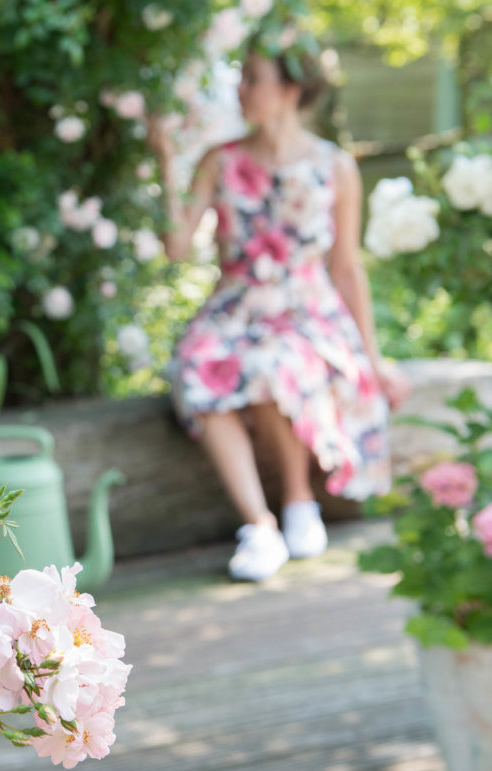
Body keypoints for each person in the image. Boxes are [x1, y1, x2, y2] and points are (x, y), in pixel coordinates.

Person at [146, 37, 409, 582]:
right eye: (241, 77)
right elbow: (176, 248)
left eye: (253, 78)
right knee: (201, 368)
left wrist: (373, 355)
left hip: (306, 309)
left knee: (272, 363)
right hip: (237, 307)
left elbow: (346, 267)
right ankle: (260, 525)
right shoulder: (221, 160)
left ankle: (297, 501)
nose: (241, 89)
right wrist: (166, 159)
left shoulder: (334, 167)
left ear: (291, 89)